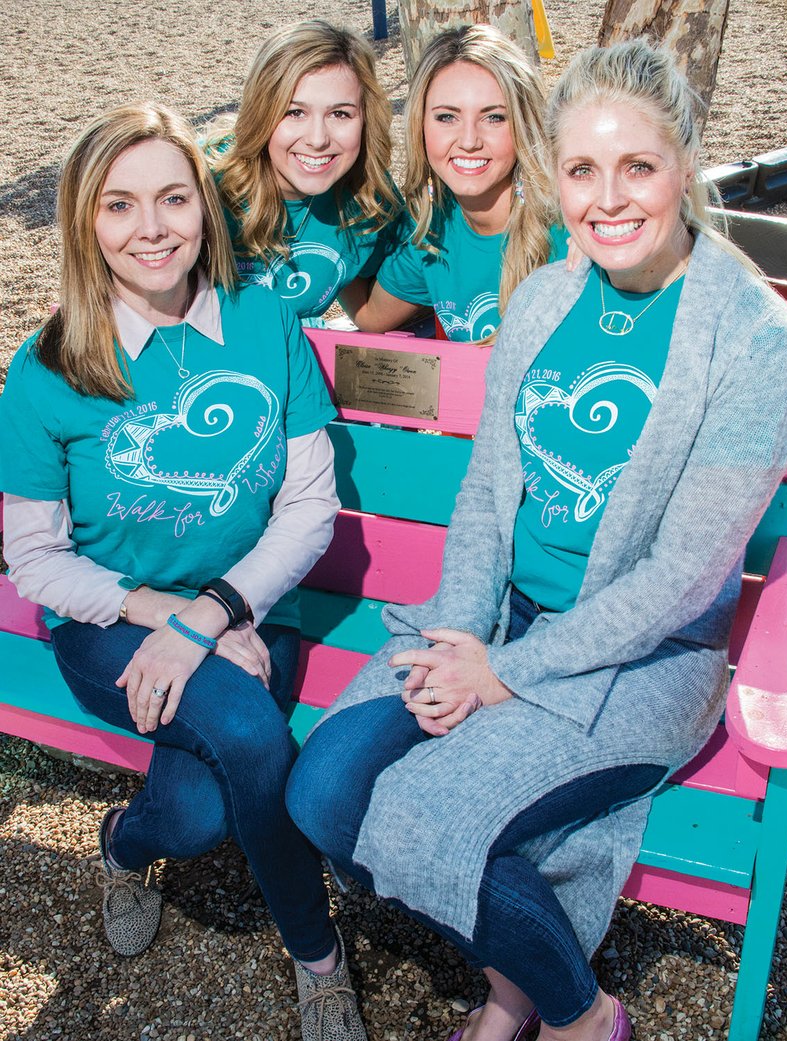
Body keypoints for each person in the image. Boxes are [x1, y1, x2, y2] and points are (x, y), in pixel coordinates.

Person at [286, 40, 787, 1041]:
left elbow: (680, 579)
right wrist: (461, 638)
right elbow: (486, 493)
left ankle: (571, 1013)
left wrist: (501, 676)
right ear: (552, 174)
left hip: (639, 663)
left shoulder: (753, 346)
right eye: (580, 170)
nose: (607, 199)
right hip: (492, 619)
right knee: (323, 791)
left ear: (684, 168)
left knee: (424, 817)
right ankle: (530, 985)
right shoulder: (545, 299)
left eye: (636, 168)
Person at [0, 103, 367, 1041]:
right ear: (86, 222)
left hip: (250, 604)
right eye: (120, 206)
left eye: (173, 198)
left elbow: (308, 506)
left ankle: (124, 843)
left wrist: (214, 609)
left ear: (205, 207)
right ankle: (319, 957)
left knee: (199, 813)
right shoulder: (48, 370)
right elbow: (36, 558)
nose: (152, 228)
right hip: (108, 621)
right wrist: (165, 607)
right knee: (248, 740)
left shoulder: (262, 318)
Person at [345, 24, 563, 342]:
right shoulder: (434, 226)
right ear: (420, 125)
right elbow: (370, 315)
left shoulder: (566, 225)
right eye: (447, 117)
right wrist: (331, 207)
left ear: (523, 124)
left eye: (494, 117)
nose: (469, 141)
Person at [204, 20, 400, 327]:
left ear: (365, 119)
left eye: (340, 114)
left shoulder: (369, 196)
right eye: (295, 112)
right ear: (262, 112)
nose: (318, 139)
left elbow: (372, 307)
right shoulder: (200, 187)